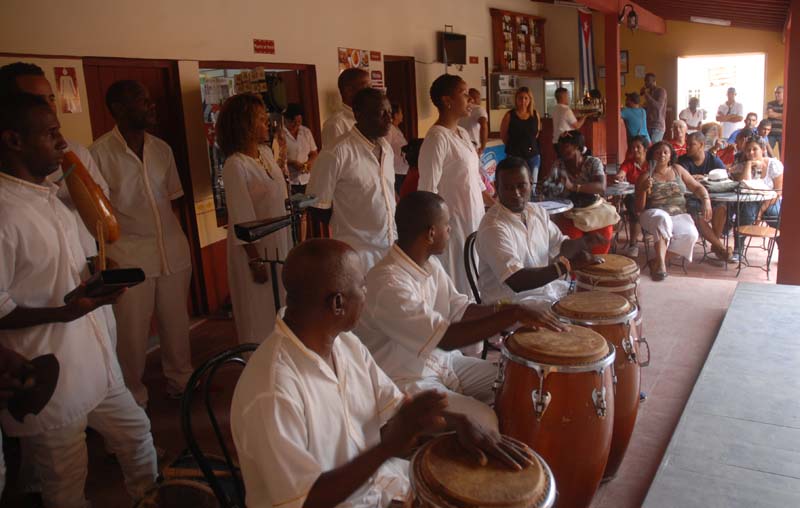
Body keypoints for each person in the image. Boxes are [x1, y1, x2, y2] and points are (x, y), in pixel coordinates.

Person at [230, 238, 534, 508]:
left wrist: (460, 422)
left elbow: (394, 410)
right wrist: (388, 447)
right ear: (338, 303)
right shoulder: (272, 390)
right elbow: (305, 498)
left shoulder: (347, 346)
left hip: (380, 487)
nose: (366, 292)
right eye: (362, 286)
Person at [0, 93, 157, 508]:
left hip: (95, 360)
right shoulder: (4, 211)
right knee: (66, 483)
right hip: (50, 372)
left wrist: (94, 282)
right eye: (51, 134)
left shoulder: (49, 198)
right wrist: (67, 311)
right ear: (13, 140)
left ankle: (150, 499)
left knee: (137, 437)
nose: (62, 143)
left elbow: (58, 274)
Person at [356, 191, 565, 431]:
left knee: (522, 382)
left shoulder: (429, 264)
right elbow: (445, 338)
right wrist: (512, 314)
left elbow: (461, 309)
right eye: (447, 225)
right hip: (406, 379)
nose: (451, 230)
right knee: (485, 420)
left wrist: (509, 310)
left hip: (445, 363)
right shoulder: (388, 284)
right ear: (431, 233)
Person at [0, 62, 119, 352]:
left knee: (108, 365)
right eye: (37, 100)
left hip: (85, 284)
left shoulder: (70, 156)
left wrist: (95, 266)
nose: (48, 106)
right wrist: (63, 313)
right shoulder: (8, 206)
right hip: (47, 338)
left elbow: (99, 214)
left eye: (51, 98)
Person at [90, 80, 194, 406]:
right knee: (132, 336)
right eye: (142, 101)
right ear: (119, 109)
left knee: (177, 326)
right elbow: (98, 217)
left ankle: (182, 381)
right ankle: (134, 400)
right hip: (130, 258)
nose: (151, 107)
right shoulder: (100, 154)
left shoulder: (162, 149)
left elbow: (171, 201)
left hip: (172, 252)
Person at [477, 157, 605, 305]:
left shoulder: (536, 212)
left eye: (521, 185)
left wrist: (583, 243)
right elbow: (516, 281)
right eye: (508, 187)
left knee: (594, 298)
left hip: (543, 292)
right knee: (578, 312)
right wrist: (566, 266)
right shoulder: (493, 226)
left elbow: (560, 245)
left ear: (530, 183)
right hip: (509, 305)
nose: (516, 193)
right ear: (497, 187)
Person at [216, 93, 291, 344]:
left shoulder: (266, 154)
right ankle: (258, 362)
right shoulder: (235, 165)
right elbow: (241, 218)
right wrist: (255, 260)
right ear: (244, 125)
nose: (266, 124)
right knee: (258, 311)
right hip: (254, 250)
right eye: (260, 120)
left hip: (279, 240)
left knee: (281, 304)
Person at [307, 87, 396, 272]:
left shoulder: (387, 149)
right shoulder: (336, 152)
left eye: (390, 113)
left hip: (388, 248)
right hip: (356, 253)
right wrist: (347, 225)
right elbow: (316, 205)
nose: (389, 120)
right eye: (381, 113)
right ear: (359, 114)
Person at [418, 74, 486, 296]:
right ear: (447, 101)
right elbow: (427, 190)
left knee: (476, 276)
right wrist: (436, 230)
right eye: (464, 94)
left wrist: (496, 206)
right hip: (452, 226)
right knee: (458, 280)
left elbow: (475, 181)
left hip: (473, 219)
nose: (471, 100)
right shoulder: (437, 138)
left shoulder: (463, 133)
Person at [635, 141, 711, 281]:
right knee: (662, 219)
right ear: (652, 155)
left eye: (665, 152)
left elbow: (697, 187)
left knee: (691, 235)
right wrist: (644, 190)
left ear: (670, 156)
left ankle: (656, 260)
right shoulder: (646, 176)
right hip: (653, 214)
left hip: (678, 214)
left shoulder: (677, 169)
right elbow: (639, 208)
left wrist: (706, 200)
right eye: (658, 152)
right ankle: (661, 266)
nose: (662, 155)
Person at [542, 130, 616, 254]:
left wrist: (573, 187)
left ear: (577, 147)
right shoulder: (558, 164)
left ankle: (596, 270)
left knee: (604, 234)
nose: (561, 150)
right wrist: (547, 186)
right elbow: (548, 188)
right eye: (559, 147)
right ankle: (575, 271)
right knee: (572, 241)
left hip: (593, 208)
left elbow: (601, 187)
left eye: (565, 146)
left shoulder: (593, 162)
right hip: (570, 212)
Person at [676, 133, 733, 261]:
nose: (687, 147)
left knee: (722, 208)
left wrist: (702, 177)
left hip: (714, 198)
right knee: (696, 213)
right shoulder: (682, 161)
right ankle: (720, 247)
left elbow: (725, 178)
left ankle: (716, 244)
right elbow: (684, 181)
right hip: (691, 198)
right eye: (687, 144)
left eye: (692, 145)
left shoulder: (714, 160)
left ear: (701, 145)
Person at [730, 136, 783, 261]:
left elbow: (778, 191)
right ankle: (738, 250)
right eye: (748, 150)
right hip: (750, 199)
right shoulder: (743, 165)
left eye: (755, 149)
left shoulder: (773, 164)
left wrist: (760, 212)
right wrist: (749, 164)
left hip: (770, 199)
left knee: (775, 215)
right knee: (745, 214)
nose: (751, 153)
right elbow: (745, 186)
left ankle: (783, 247)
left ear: (763, 149)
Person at [615, 135, 651, 257]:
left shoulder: (651, 164)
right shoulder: (629, 163)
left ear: (645, 149)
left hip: (650, 195)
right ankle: (633, 243)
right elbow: (621, 173)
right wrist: (620, 176)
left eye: (638, 147)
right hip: (633, 196)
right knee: (632, 205)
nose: (634, 150)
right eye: (632, 147)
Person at [500, 86, 542, 185]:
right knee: (516, 184)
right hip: (514, 156)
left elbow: (536, 133)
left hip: (533, 156)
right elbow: (503, 135)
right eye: (520, 98)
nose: (523, 101)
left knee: (532, 185)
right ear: (516, 99)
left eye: (525, 98)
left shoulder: (535, 114)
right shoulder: (509, 115)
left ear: (530, 100)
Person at [321, 68, 370, 148]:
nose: (371, 91)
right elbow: (334, 157)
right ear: (349, 91)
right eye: (366, 86)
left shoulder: (369, 117)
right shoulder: (335, 124)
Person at [282, 102, 318, 196]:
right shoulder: (280, 135)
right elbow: (277, 159)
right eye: (293, 122)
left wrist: (308, 163)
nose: (297, 125)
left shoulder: (306, 132)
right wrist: (292, 163)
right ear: (286, 120)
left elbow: (314, 152)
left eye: (299, 122)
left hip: (307, 179)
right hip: (290, 181)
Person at [551, 87, 587, 152]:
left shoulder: (555, 108)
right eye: (568, 95)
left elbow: (565, 116)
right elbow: (577, 126)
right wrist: (585, 116)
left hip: (556, 142)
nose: (569, 98)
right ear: (563, 96)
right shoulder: (566, 110)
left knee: (562, 161)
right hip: (566, 143)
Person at [387, 102, 409, 195]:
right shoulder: (389, 130)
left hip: (403, 168)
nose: (402, 115)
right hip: (396, 169)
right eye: (401, 113)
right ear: (395, 115)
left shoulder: (396, 129)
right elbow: (386, 148)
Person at [459, 88, 488, 155]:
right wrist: (482, 148)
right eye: (479, 98)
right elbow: (484, 126)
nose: (480, 101)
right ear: (475, 98)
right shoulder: (479, 109)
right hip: (472, 146)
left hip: (460, 145)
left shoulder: (460, 109)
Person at [640, 73, 667, 142]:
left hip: (657, 125)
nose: (646, 83)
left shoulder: (661, 91)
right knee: (649, 148)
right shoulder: (649, 93)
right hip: (649, 124)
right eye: (645, 81)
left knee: (654, 149)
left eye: (648, 80)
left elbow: (658, 107)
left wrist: (646, 94)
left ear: (654, 81)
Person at [766, 85, 783, 156]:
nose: (776, 94)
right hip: (771, 133)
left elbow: (786, 117)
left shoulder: (788, 104)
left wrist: (774, 114)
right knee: (767, 154)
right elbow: (770, 114)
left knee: (783, 155)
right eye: (775, 92)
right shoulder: (770, 103)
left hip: (783, 133)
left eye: (778, 92)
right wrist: (781, 115)